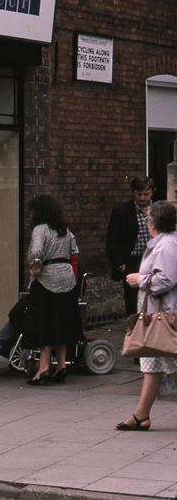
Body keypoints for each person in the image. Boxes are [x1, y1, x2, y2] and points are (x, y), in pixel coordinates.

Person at [117, 201, 177, 431]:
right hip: (157, 314)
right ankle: (141, 415)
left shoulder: (166, 246)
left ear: (153, 222)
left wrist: (138, 280)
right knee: (151, 364)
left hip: (164, 316)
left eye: (147, 219)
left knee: (155, 362)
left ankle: (141, 415)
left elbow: (165, 279)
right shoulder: (164, 243)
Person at [23, 195, 80, 385]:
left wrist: (34, 264)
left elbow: (36, 252)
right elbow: (74, 251)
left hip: (46, 278)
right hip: (67, 278)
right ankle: (62, 365)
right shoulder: (65, 230)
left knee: (44, 323)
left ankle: (44, 368)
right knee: (62, 322)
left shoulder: (40, 229)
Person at [107, 176, 155, 317]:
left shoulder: (158, 209)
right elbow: (112, 239)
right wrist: (120, 264)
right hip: (132, 261)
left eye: (146, 194)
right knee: (133, 301)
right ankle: (134, 331)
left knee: (154, 296)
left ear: (153, 192)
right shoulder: (122, 211)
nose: (142, 198)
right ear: (133, 192)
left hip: (154, 260)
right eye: (138, 194)